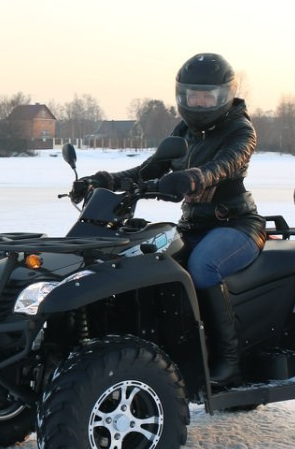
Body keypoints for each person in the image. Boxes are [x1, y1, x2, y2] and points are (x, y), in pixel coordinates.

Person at [68, 52, 265, 387]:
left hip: (236, 226)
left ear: (225, 95)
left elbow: (225, 165)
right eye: (193, 95)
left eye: (208, 96)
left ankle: (227, 361)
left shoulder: (240, 131)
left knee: (203, 267)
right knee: (147, 265)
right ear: (182, 95)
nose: (200, 103)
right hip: (193, 227)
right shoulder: (184, 131)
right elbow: (148, 170)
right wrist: (102, 180)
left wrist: (193, 178)